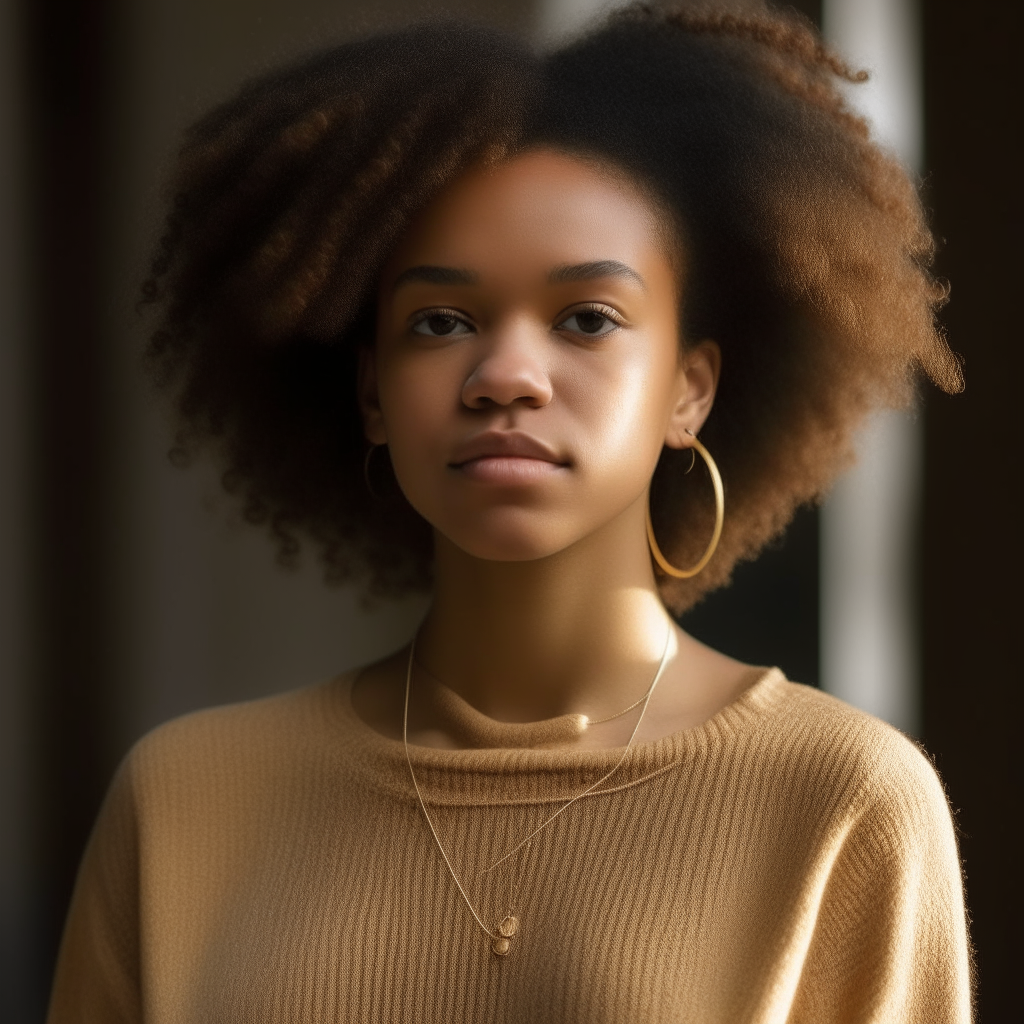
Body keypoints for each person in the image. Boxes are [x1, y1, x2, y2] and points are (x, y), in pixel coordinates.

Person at [47, 3, 972, 1021]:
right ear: (371, 393)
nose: (504, 376)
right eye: (441, 322)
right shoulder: (182, 804)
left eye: (586, 319)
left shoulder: (840, 801)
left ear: (688, 390)